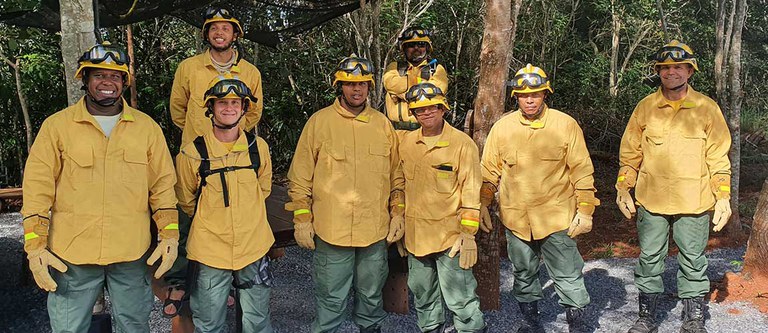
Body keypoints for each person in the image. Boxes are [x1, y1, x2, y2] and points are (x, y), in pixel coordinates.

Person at [21, 42, 179, 332]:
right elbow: (37, 188)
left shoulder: (146, 128)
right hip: (72, 255)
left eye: (115, 76)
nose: (107, 82)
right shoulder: (57, 127)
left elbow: (163, 186)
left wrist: (170, 235)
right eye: (99, 75)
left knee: (134, 326)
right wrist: (34, 245)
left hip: (131, 252)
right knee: (69, 328)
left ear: (124, 82)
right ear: (85, 79)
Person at [617, 41, 732, 333]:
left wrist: (723, 197)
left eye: (678, 67)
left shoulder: (707, 109)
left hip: (693, 200)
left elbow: (718, 157)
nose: (671, 72)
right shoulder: (645, 107)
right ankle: (647, 316)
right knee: (649, 258)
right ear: (658, 71)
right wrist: (622, 187)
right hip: (651, 200)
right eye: (665, 68)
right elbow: (630, 155)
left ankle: (693, 318)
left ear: (690, 71)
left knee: (693, 260)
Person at [285, 55, 405, 333]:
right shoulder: (319, 123)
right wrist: (302, 219)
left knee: (371, 298)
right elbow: (300, 177)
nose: (357, 90)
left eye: (363, 84)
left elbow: (396, 175)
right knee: (330, 300)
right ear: (339, 86)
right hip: (332, 231)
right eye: (351, 84)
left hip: (374, 232)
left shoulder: (382, 125)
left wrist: (397, 213)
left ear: (370, 87)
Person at [481, 64, 599, 333]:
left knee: (567, 273)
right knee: (523, 273)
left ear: (545, 94)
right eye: (524, 95)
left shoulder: (565, 125)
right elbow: (489, 171)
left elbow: (581, 170)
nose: (530, 99)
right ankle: (530, 321)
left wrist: (586, 210)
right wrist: (483, 203)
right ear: (516, 97)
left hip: (555, 217)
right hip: (516, 217)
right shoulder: (502, 128)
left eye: (536, 94)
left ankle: (577, 324)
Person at [165, 6, 264, 317]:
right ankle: (182, 281)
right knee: (189, 215)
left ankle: (229, 285)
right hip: (197, 157)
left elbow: (254, 113)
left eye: (226, 28)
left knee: (238, 220)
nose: (219, 33)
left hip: (238, 155)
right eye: (213, 28)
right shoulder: (189, 68)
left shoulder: (250, 72)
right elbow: (178, 109)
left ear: (235, 35)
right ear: (206, 34)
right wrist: (201, 139)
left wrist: (233, 137)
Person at [175, 74, 274, 332]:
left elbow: (262, 189)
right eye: (222, 103)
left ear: (243, 109)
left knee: (258, 321)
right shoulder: (192, 152)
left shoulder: (258, 148)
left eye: (235, 103)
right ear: (211, 108)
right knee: (209, 323)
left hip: (253, 246)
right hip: (210, 250)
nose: (229, 108)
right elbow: (186, 200)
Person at [399, 82, 486, 333]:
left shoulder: (461, 144)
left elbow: (471, 191)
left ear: (443, 108)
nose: (426, 113)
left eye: (432, 108)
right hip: (416, 238)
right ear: (413, 114)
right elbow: (399, 184)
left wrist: (468, 235)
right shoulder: (406, 145)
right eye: (420, 110)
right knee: (423, 297)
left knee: (461, 300)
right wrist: (398, 219)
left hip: (451, 238)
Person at [383, 27, 448, 134]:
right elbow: (390, 84)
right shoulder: (394, 66)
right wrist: (421, 84)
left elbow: (433, 93)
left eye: (421, 44)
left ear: (427, 47)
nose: (416, 48)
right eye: (411, 45)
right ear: (404, 48)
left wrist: (399, 93)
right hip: (396, 132)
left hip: (426, 131)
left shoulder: (437, 69)